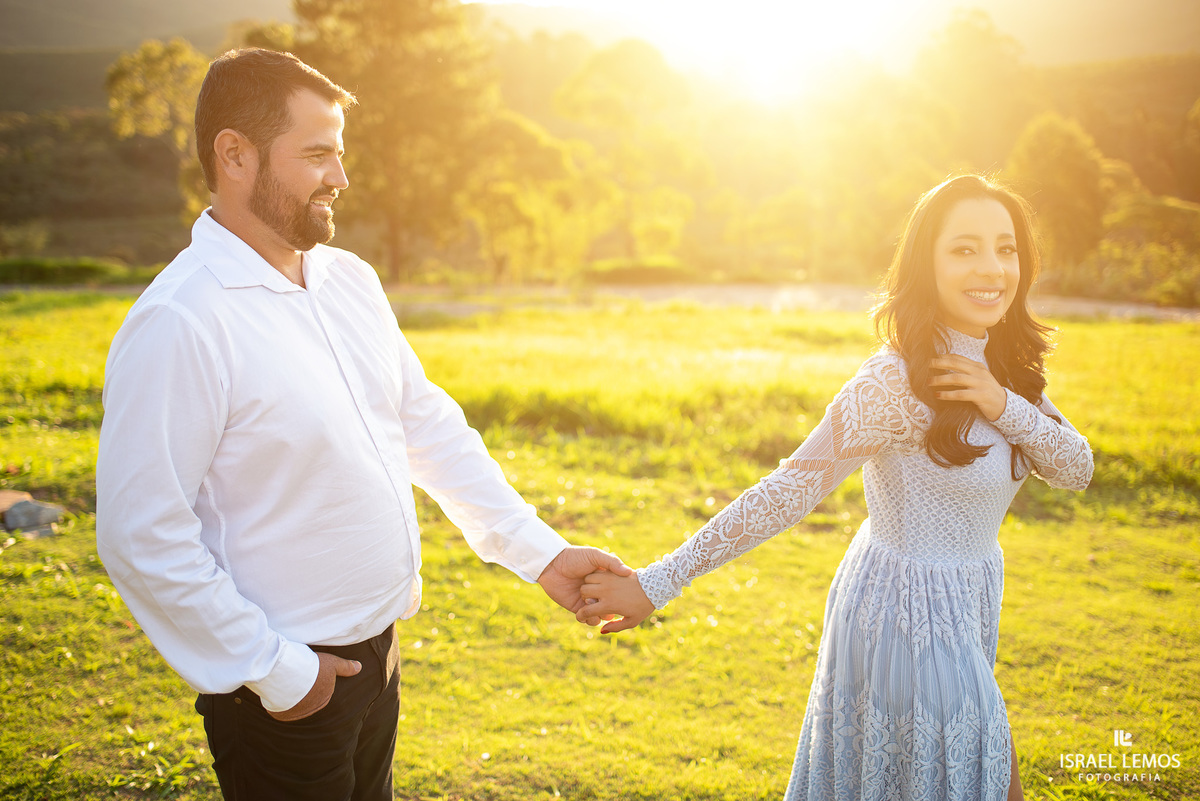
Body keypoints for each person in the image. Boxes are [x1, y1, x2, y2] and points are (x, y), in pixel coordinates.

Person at [95, 47, 630, 801]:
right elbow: (138, 533)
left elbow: (427, 428)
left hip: (377, 665)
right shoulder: (182, 321)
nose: (340, 178)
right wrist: (279, 672)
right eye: (316, 155)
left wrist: (541, 554)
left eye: (339, 154)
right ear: (235, 155)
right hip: (285, 692)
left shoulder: (350, 280)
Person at [578, 174, 1094, 801]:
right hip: (901, 611)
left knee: (982, 775)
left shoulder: (1006, 367)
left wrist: (1001, 401)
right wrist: (658, 582)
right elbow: (789, 490)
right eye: (964, 249)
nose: (992, 268)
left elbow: (1076, 468)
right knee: (986, 778)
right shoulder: (892, 383)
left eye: (1006, 248)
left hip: (968, 604)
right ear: (925, 263)